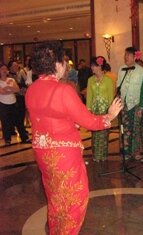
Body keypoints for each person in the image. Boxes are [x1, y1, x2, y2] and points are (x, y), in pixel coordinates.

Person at [25, 41, 122, 235]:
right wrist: (109, 116)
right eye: (64, 61)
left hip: (44, 155)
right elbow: (90, 122)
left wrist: (70, 122)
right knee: (74, 201)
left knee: (55, 199)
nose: (66, 65)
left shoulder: (31, 90)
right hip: (64, 157)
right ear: (58, 64)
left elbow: (47, 118)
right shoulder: (63, 90)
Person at [117, 47, 143, 159]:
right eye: (125, 55)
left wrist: (141, 106)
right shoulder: (121, 69)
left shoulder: (141, 71)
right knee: (125, 129)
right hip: (124, 104)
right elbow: (118, 85)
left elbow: (142, 90)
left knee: (136, 128)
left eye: (128, 55)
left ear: (135, 57)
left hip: (136, 104)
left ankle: (136, 152)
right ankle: (126, 151)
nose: (126, 57)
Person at [86, 56, 114, 162]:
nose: (91, 68)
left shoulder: (108, 80)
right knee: (95, 134)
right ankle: (96, 156)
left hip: (105, 110)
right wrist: (88, 110)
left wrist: (110, 113)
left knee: (103, 134)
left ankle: (103, 155)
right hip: (94, 111)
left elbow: (111, 97)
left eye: (93, 65)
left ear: (99, 66)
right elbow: (89, 96)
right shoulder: (90, 80)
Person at [0, 64, 30, 145]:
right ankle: (7, 140)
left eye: (5, 69)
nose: (4, 71)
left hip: (13, 103)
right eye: (2, 69)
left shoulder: (11, 79)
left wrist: (7, 88)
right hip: (3, 104)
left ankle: (24, 137)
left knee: (19, 121)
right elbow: (2, 92)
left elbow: (17, 89)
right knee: (5, 122)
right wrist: (10, 89)